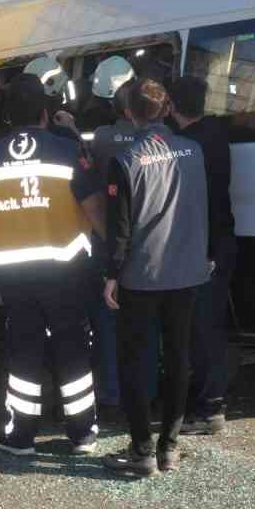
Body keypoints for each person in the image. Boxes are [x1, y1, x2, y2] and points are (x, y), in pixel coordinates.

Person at [0, 74, 106, 457]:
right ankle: (82, 433)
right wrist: (113, 252)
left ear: (8, 116)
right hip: (65, 267)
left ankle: (21, 434)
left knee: (23, 348)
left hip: (13, 271)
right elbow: (95, 209)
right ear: (45, 113)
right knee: (72, 344)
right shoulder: (66, 150)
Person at [101, 78, 211, 477]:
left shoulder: (125, 158)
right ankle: (170, 446)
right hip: (186, 271)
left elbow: (121, 227)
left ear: (130, 113)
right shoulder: (194, 151)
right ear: (166, 109)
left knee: (134, 361)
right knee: (178, 357)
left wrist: (111, 274)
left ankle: (142, 451)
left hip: (142, 275)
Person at [169, 75, 237, 435]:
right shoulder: (215, 135)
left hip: (202, 246)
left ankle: (210, 409)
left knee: (203, 329)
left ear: (172, 107)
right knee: (208, 327)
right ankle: (206, 401)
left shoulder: (188, 146)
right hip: (220, 239)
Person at [86, 76, 144, 413]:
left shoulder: (104, 137)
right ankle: (143, 390)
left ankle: (109, 393)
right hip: (147, 240)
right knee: (142, 322)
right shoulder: (158, 140)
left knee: (106, 320)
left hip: (107, 239)